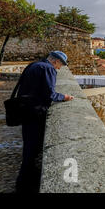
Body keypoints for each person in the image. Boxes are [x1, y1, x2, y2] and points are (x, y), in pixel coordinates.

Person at [15, 51, 74, 193]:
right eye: (60, 65)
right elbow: (50, 94)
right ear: (55, 61)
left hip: (25, 109)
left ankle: (25, 179)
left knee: (29, 145)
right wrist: (64, 96)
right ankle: (24, 184)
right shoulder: (48, 69)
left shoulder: (34, 65)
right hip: (35, 112)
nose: (59, 69)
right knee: (32, 147)